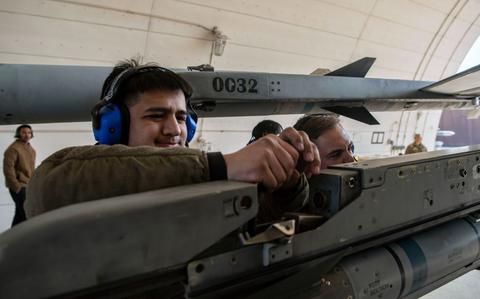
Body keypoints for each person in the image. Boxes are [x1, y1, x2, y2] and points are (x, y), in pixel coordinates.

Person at [25, 59, 321, 221]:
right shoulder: (79, 177)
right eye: (156, 116)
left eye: (181, 117)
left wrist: (288, 182)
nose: (174, 129)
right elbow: (46, 189)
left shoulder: (195, 180)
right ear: (113, 125)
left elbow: (252, 220)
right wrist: (219, 166)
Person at [3, 124, 36, 226]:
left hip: (28, 185)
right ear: (18, 134)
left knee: (19, 215)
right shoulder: (13, 148)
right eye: (23, 132)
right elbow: (8, 169)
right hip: (19, 187)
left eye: (29, 132)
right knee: (26, 214)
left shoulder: (30, 148)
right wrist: (16, 186)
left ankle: (11, 240)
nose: (27, 135)